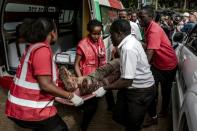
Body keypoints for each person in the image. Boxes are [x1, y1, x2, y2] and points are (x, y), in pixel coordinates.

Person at [5, 18, 84, 131]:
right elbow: (45, 85)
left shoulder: (33, 47)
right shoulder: (42, 50)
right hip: (31, 110)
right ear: (52, 32)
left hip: (19, 107)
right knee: (60, 128)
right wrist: (70, 96)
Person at [93, 19, 155, 131]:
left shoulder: (128, 48)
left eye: (111, 34)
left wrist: (105, 88)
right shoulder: (129, 41)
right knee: (118, 114)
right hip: (132, 87)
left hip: (140, 91)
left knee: (133, 125)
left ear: (119, 33)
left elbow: (127, 81)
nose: (110, 38)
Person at [138, 6, 178, 126]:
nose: (139, 20)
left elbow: (150, 52)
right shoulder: (147, 27)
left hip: (168, 66)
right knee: (151, 89)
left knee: (165, 91)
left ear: (151, 17)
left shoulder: (154, 29)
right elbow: (148, 45)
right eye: (139, 17)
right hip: (157, 64)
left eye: (142, 17)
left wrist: (140, 69)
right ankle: (153, 114)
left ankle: (163, 112)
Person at [74, 19, 114, 131]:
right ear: (89, 32)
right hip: (89, 78)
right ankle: (83, 127)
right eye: (94, 33)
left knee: (108, 89)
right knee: (92, 106)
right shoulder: (82, 44)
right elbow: (76, 64)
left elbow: (102, 58)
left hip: (100, 74)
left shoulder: (100, 41)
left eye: (99, 33)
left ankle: (111, 107)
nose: (97, 36)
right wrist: (80, 79)